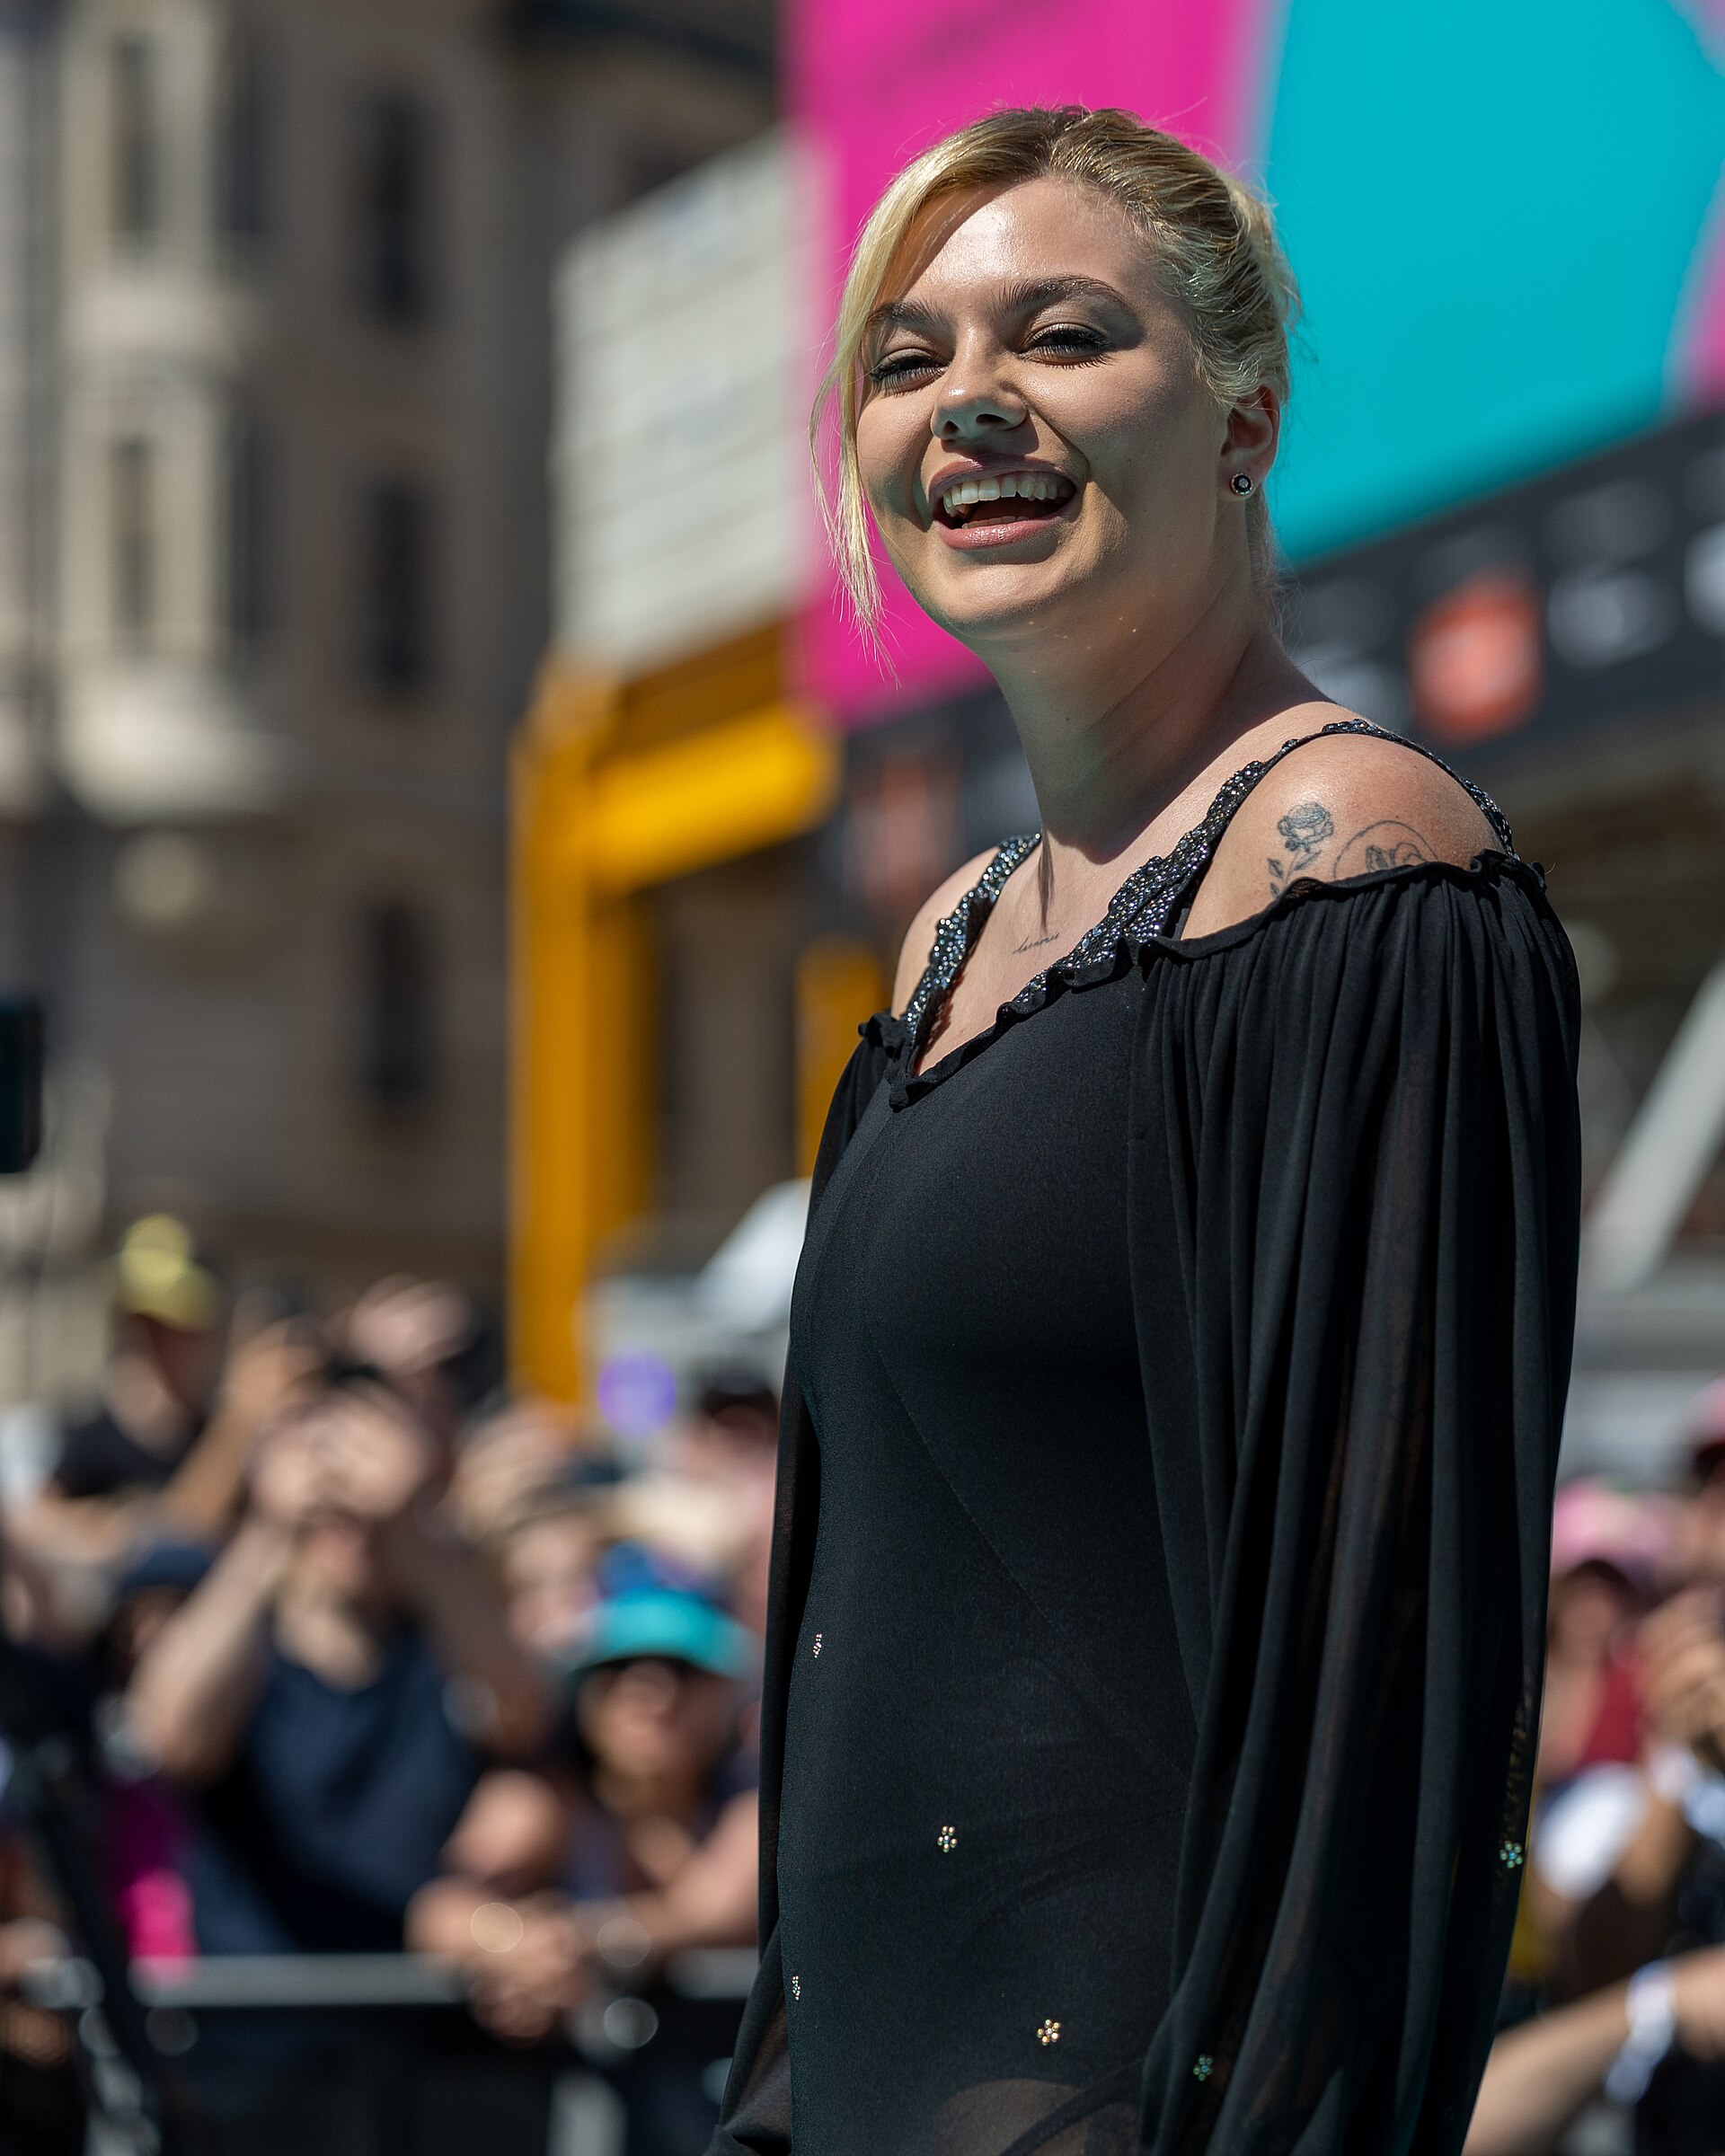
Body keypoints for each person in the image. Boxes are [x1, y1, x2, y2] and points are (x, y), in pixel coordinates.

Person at [710, 107, 1582, 2156]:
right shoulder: (943, 940)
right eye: (908, 360)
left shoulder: (1359, 869)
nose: (971, 407)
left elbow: (1386, 1663)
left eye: (1062, 337)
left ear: (1248, 421)